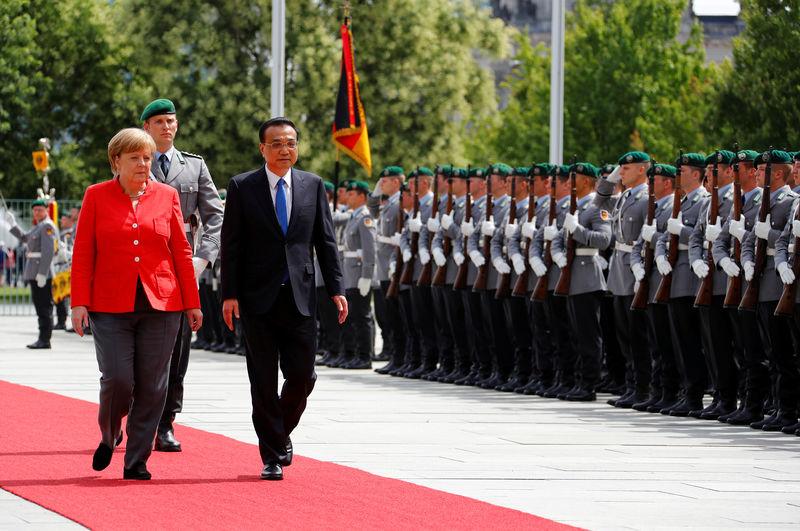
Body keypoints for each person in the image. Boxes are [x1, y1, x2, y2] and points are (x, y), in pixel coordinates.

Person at [70, 127, 202, 480]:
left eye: (147, 157)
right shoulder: (96, 196)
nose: (144, 164)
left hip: (162, 304)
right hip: (109, 306)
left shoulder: (168, 195)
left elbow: (181, 252)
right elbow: (83, 253)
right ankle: (110, 433)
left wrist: (193, 302)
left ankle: (137, 459)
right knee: (117, 379)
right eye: (135, 158)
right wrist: (78, 302)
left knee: (153, 383)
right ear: (116, 161)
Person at [220, 117, 347, 481]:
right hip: (256, 299)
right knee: (262, 379)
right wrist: (229, 295)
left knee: (303, 376)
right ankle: (272, 454)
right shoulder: (243, 186)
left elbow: (326, 242)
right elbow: (232, 246)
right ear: (263, 148)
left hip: (301, 298)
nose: (284, 150)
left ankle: (279, 431)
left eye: (290, 143)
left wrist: (337, 288)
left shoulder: (312, 185)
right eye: (276, 144)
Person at [141, 98, 224, 452]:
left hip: (182, 268)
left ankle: (166, 423)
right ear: (146, 127)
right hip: (141, 266)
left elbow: (216, 218)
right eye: (158, 121)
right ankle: (132, 411)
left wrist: (203, 260)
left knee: (177, 349)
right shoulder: (133, 160)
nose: (166, 126)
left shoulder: (194, 167)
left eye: (171, 120)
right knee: (137, 347)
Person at [6, 199, 57, 348]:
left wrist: (42, 273)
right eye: (35, 210)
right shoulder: (38, 226)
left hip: (41, 272)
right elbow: (25, 238)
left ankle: (45, 339)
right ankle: (42, 337)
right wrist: (13, 224)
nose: (37, 213)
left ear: (46, 210)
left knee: (44, 306)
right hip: (34, 271)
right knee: (40, 305)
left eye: (40, 210)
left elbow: (48, 252)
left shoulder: (47, 226)